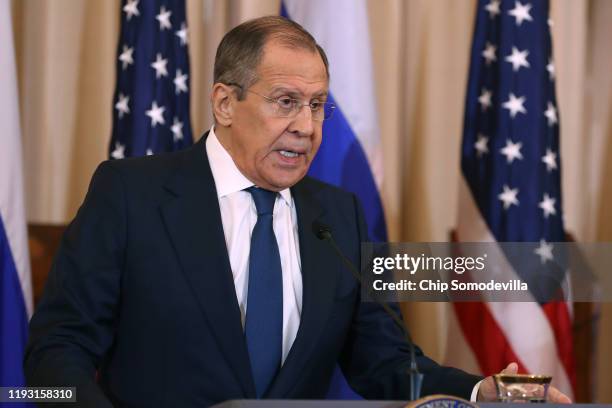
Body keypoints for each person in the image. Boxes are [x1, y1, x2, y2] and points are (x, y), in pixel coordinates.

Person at [24, 16, 570, 407]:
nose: (307, 127)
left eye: (316, 106)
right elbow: (58, 350)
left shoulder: (339, 215)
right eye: (286, 102)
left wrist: (480, 391)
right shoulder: (131, 195)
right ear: (224, 103)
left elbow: (385, 361)